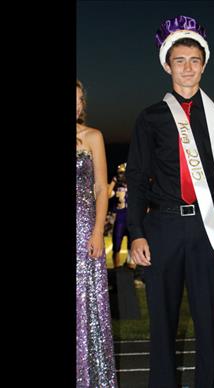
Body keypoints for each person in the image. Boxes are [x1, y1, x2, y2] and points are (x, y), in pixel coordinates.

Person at [126, 15, 214, 388]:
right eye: (180, 60)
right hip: (163, 228)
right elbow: (136, 179)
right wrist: (137, 233)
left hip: (208, 229)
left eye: (195, 60)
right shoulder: (150, 118)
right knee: (163, 325)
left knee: (210, 325)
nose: (188, 67)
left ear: (204, 65)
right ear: (167, 65)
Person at [76, 80, 117, 387]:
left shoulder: (92, 137)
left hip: (83, 231)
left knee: (86, 305)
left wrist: (97, 231)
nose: (75, 105)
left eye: (79, 100)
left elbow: (101, 188)